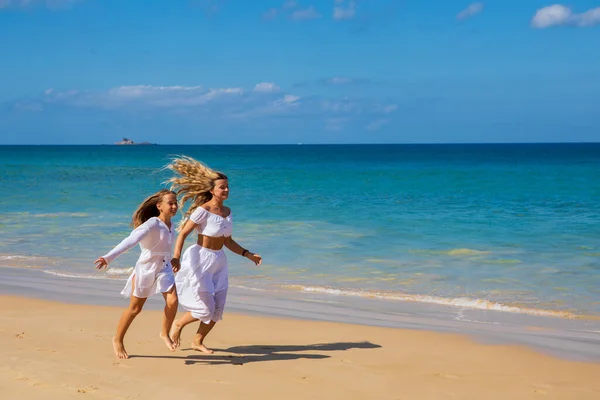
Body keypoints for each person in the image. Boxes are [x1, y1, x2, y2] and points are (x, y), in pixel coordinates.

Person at [166, 156, 262, 354]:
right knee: (205, 308)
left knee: (217, 309)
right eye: (222, 187)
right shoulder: (204, 210)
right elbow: (183, 233)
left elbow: (227, 241)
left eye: (227, 187)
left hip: (219, 261)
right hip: (200, 259)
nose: (226, 190)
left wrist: (248, 254)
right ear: (212, 190)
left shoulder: (227, 211)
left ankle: (197, 341)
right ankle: (177, 324)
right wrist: (176, 257)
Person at [94, 189, 180, 359]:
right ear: (159, 206)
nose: (175, 206)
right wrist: (108, 257)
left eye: (176, 203)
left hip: (164, 268)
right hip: (146, 269)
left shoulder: (171, 226)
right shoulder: (152, 224)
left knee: (173, 301)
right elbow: (130, 241)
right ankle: (117, 339)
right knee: (135, 309)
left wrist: (176, 258)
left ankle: (164, 333)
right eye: (170, 203)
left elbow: (166, 248)